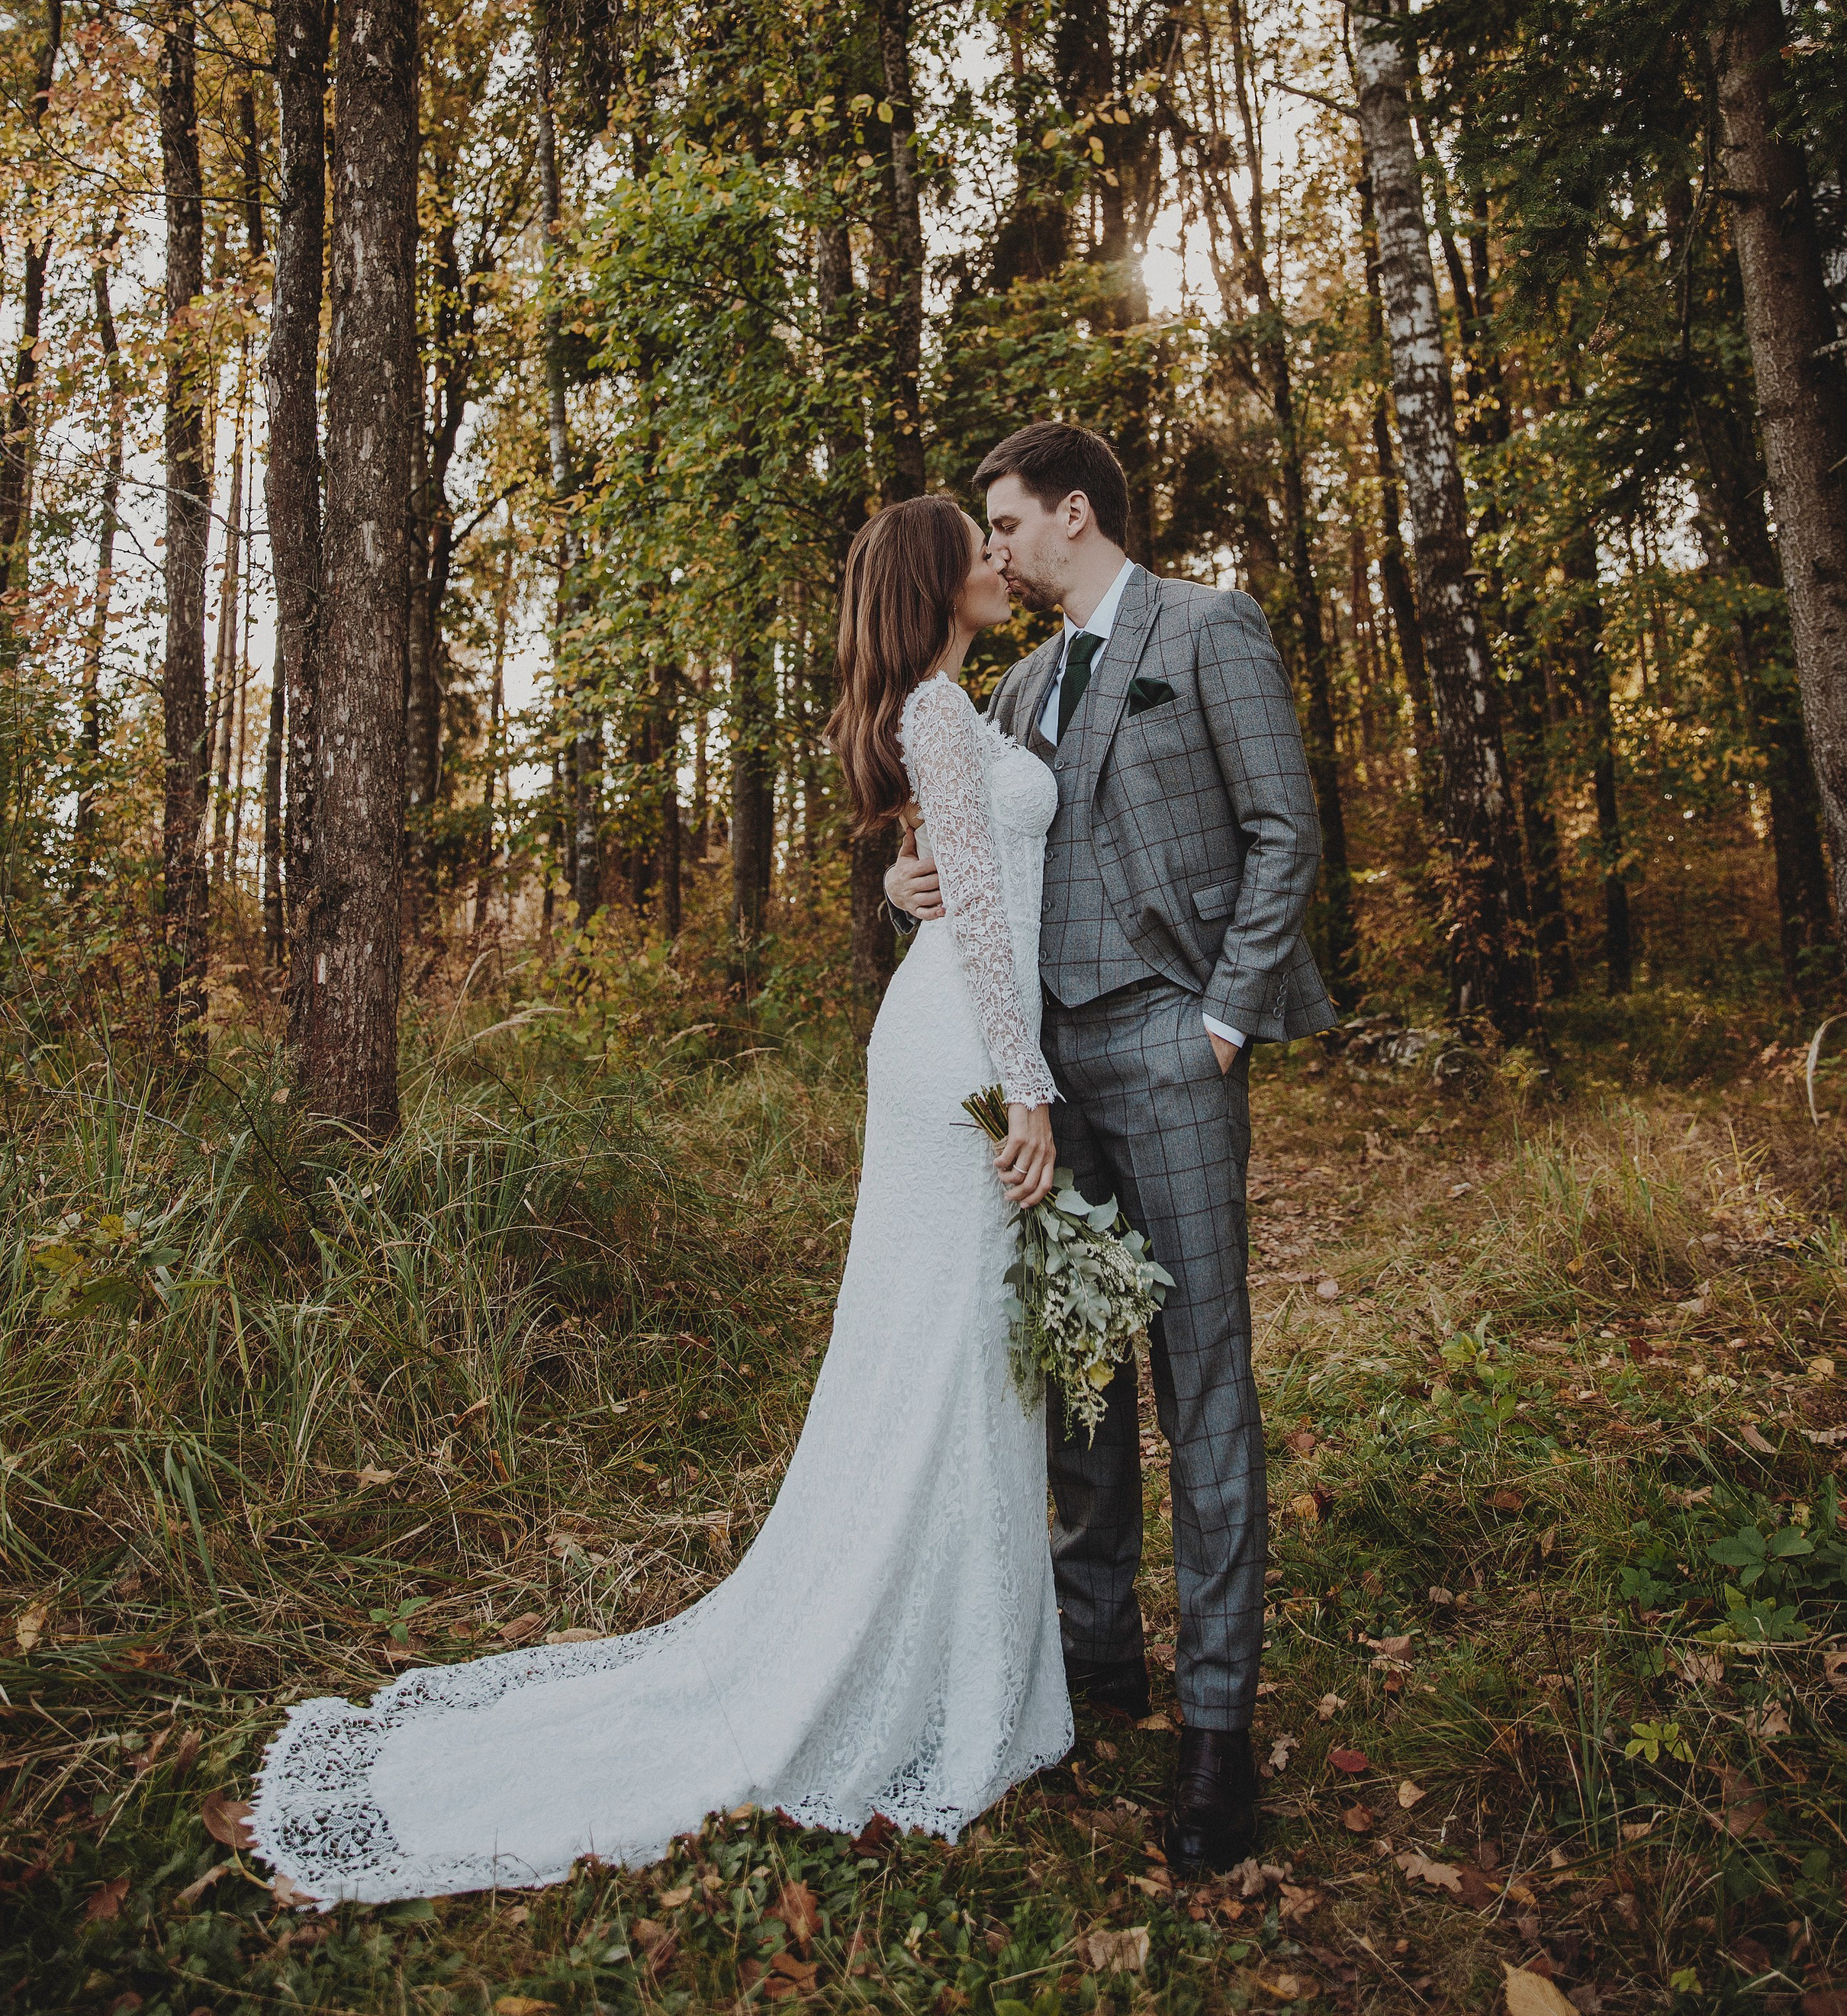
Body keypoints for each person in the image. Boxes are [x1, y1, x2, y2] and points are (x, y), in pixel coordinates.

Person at [252, 495, 1070, 1905]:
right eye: (981, 546)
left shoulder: (954, 706)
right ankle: (926, 1670)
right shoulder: (941, 714)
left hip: (951, 1039)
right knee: (946, 1356)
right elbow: (988, 924)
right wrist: (1033, 1088)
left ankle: (966, 1654)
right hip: (964, 1058)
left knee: (946, 1356)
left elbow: (976, 879)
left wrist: (911, 882)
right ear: (940, 576)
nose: (1003, 561)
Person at [886, 421, 1332, 1875]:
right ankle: (1100, 1657)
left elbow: (1285, 831)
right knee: (1077, 1378)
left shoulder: (1209, 631)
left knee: (1200, 1375)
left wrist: (1222, 1021)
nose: (994, 550)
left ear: (1073, 515)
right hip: (1045, 1081)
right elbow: (979, 844)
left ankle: (1216, 1728)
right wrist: (909, 886)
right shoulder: (1012, 685)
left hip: (1172, 1050)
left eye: (1007, 524)